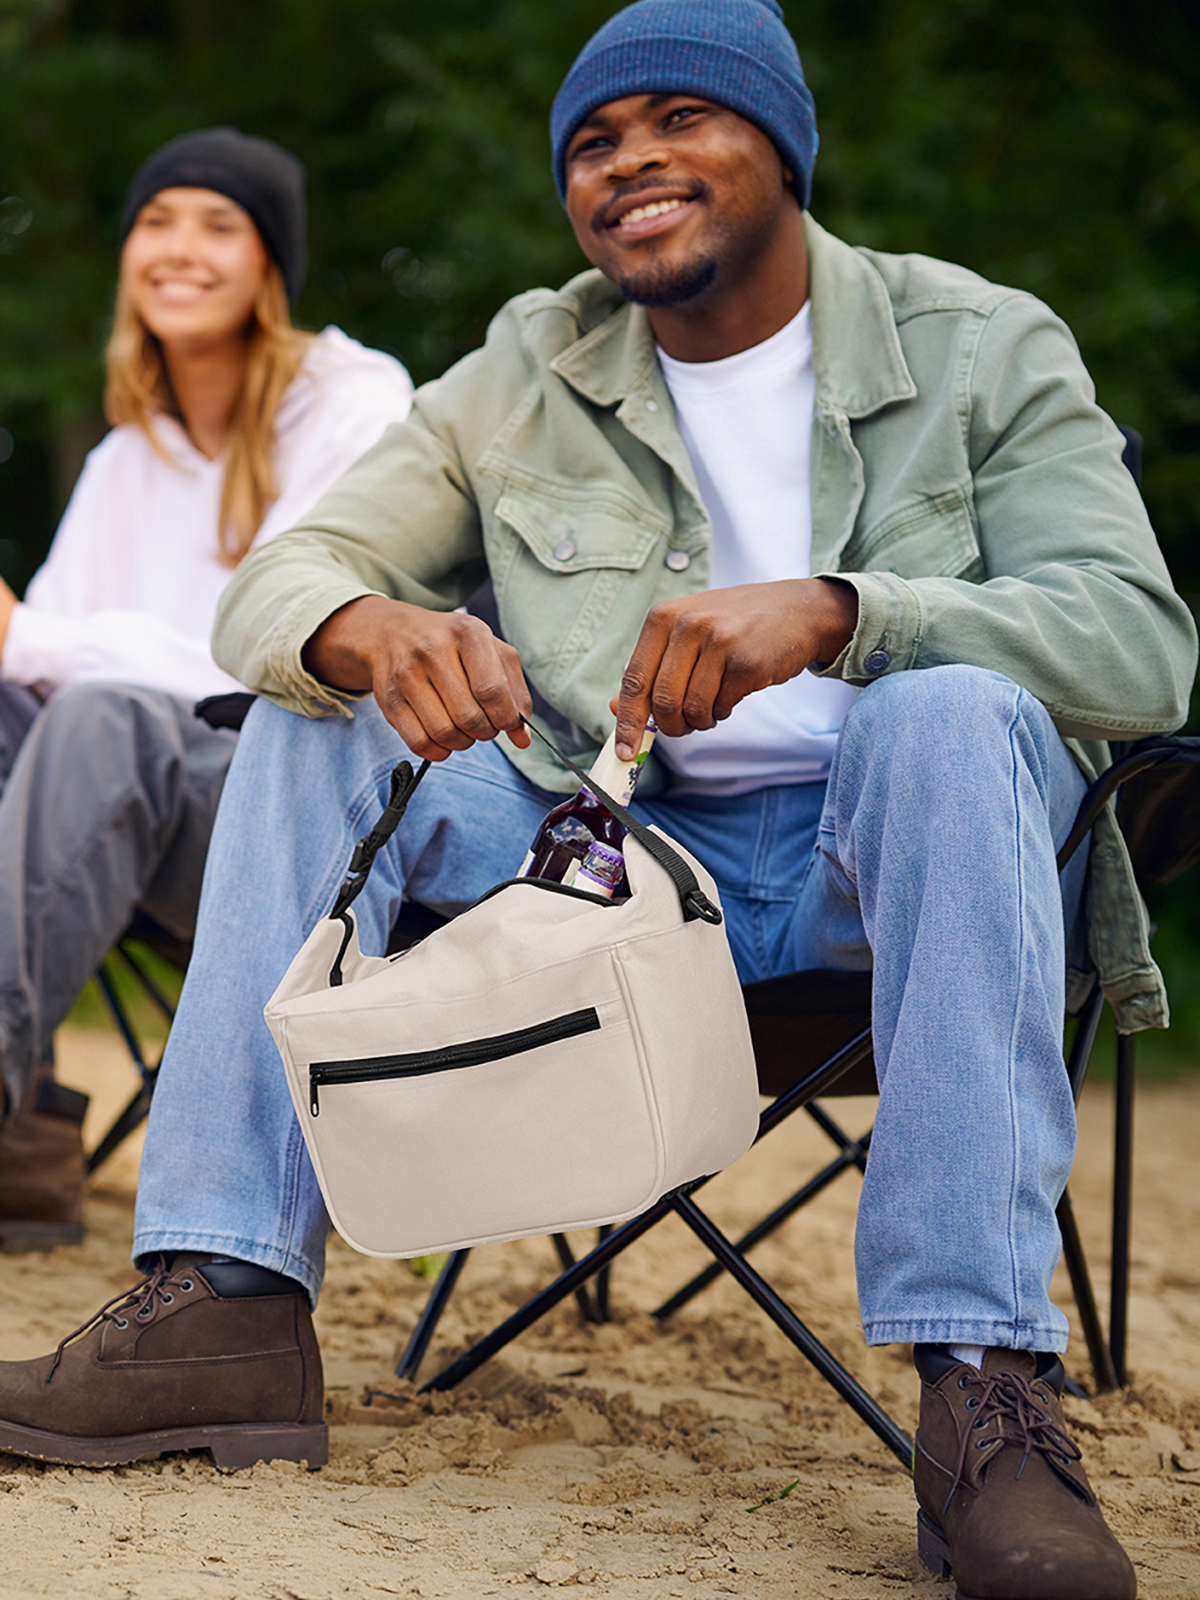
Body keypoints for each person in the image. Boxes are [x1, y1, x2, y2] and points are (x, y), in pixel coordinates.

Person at [1, 3, 1195, 1593]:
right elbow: (284, 577)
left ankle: (983, 1384)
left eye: (678, 120)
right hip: (609, 869)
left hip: (896, 859)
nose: (628, 160)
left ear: (783, 146)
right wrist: (372, 628)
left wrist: (846, 611)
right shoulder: (526, 364)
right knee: (309, 712)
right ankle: (221, 1292)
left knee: (953, 708)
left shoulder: (980, 340)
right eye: (591, 141)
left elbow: (1141, 641)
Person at [0, 126, 413, 1249]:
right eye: (155, 221)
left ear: (271, 265)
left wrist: (25, 633)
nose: (179, 249)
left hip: (297, 819)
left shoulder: (355, 404)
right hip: (110, 818)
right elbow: (30, 669)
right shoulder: (124, 456)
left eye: (218, 226)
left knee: (97, 714)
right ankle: (24, 1125)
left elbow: (277, 656)